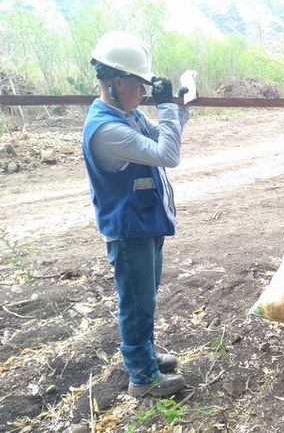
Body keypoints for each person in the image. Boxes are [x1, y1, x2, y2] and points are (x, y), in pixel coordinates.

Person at [82, 31, 189, 397]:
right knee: (135, 304)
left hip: (144, 224)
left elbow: (164, 137)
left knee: (146, 299)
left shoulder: (126, 115)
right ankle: (142, 378)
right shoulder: (107, 129)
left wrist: (178, 106)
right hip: (129, 231)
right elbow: (169, 155)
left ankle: (146, 355)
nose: (143, 94)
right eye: (138, 85)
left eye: (147, 87)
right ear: (115, 82)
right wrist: (167, 107)